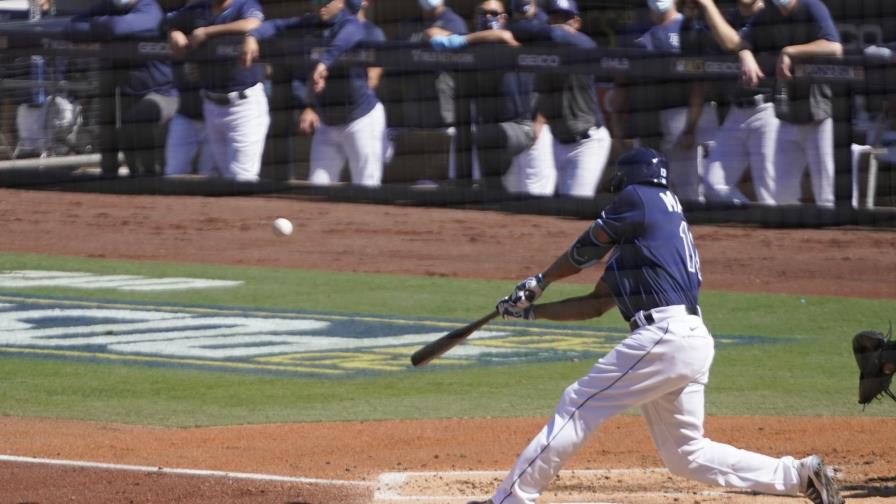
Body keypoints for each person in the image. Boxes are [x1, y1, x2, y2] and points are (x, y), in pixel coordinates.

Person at [468, 147, 844, 504]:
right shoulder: (652, 237)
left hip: (664, 336)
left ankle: (510, 499)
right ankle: (799, 475)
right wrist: (530, 312)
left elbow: (588, 247)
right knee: (686, 454)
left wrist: (541, 280)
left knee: (577, 404)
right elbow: (595, 304)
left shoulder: (643, 197)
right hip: (688, 340)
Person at [242, 0, 386, 187]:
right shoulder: (308, 22)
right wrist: (251, 36)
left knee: (367, 186)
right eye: (316, 1)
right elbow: (274, 25)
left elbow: (351, 34)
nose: (320, 5)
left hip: (360, 120)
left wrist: (324, 62)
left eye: (326, 1)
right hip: (327, 122)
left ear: (340, 2)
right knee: (318, 187)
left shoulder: (350, 23)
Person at [737, 0, 843, 207]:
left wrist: (790, 51)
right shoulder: (769, 13)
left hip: (819, 114)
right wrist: (745, 55)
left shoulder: (811, 6)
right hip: (786, 115)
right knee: (782, 197)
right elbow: (742, 41)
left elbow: (834, 47)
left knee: (826, 197)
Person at [508, 0, 611, 198]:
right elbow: (547, 93)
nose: (559, 23)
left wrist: (543, 29)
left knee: (575, 205)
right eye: (555, 17)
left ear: (577, 22)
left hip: (587, 142)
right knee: (560, 208)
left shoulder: (583, 43)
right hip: (559, 141)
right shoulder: (548, 53)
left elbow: (556, 34)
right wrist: (539, 122)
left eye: (565, 18)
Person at [430, 0, 537, 188]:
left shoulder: (515, 34)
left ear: (503, 18)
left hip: (521, 126)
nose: (487, 17)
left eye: (493, 13)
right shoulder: (473, 44)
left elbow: (501, 35)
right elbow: (431, 32)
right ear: (474, 17)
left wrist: (463, 40)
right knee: (493, 185)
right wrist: (461, 40)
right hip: (490, 128)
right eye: (482, 13)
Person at [65, 0, 178, 177]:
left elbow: (116, 27)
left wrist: (96, 29)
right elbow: (70, 28)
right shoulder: (109, 7)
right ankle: (136, 180)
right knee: (126, 130)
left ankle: (156, 178)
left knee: (137, 119)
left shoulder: (150, 8)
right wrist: (103, 27)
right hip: (129, 96)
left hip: (165, 95)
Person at [165, 0, 269, 182]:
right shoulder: (199, 8)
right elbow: (166, 21)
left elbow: (253, 23)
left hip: (243, 104)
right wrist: (173, 32)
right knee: (223, 177)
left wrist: (207, 32)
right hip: (211, 105)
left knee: (242, 178)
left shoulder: (244, 5)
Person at [631, 0, 719, 203]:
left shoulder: (690, 27)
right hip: (650, 122)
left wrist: (691, 127)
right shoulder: (639, 32)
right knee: (651, 191)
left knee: (689, 192)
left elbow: (700, 82)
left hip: (683, 117)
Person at [693, 0, 778, 205]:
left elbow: (734, 43)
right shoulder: (729, 18)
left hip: (768, 109)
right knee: (713, 185)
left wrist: (708, 5)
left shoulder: (772, 15)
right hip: (736, 110)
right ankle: (751, 218)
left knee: (769, 192)